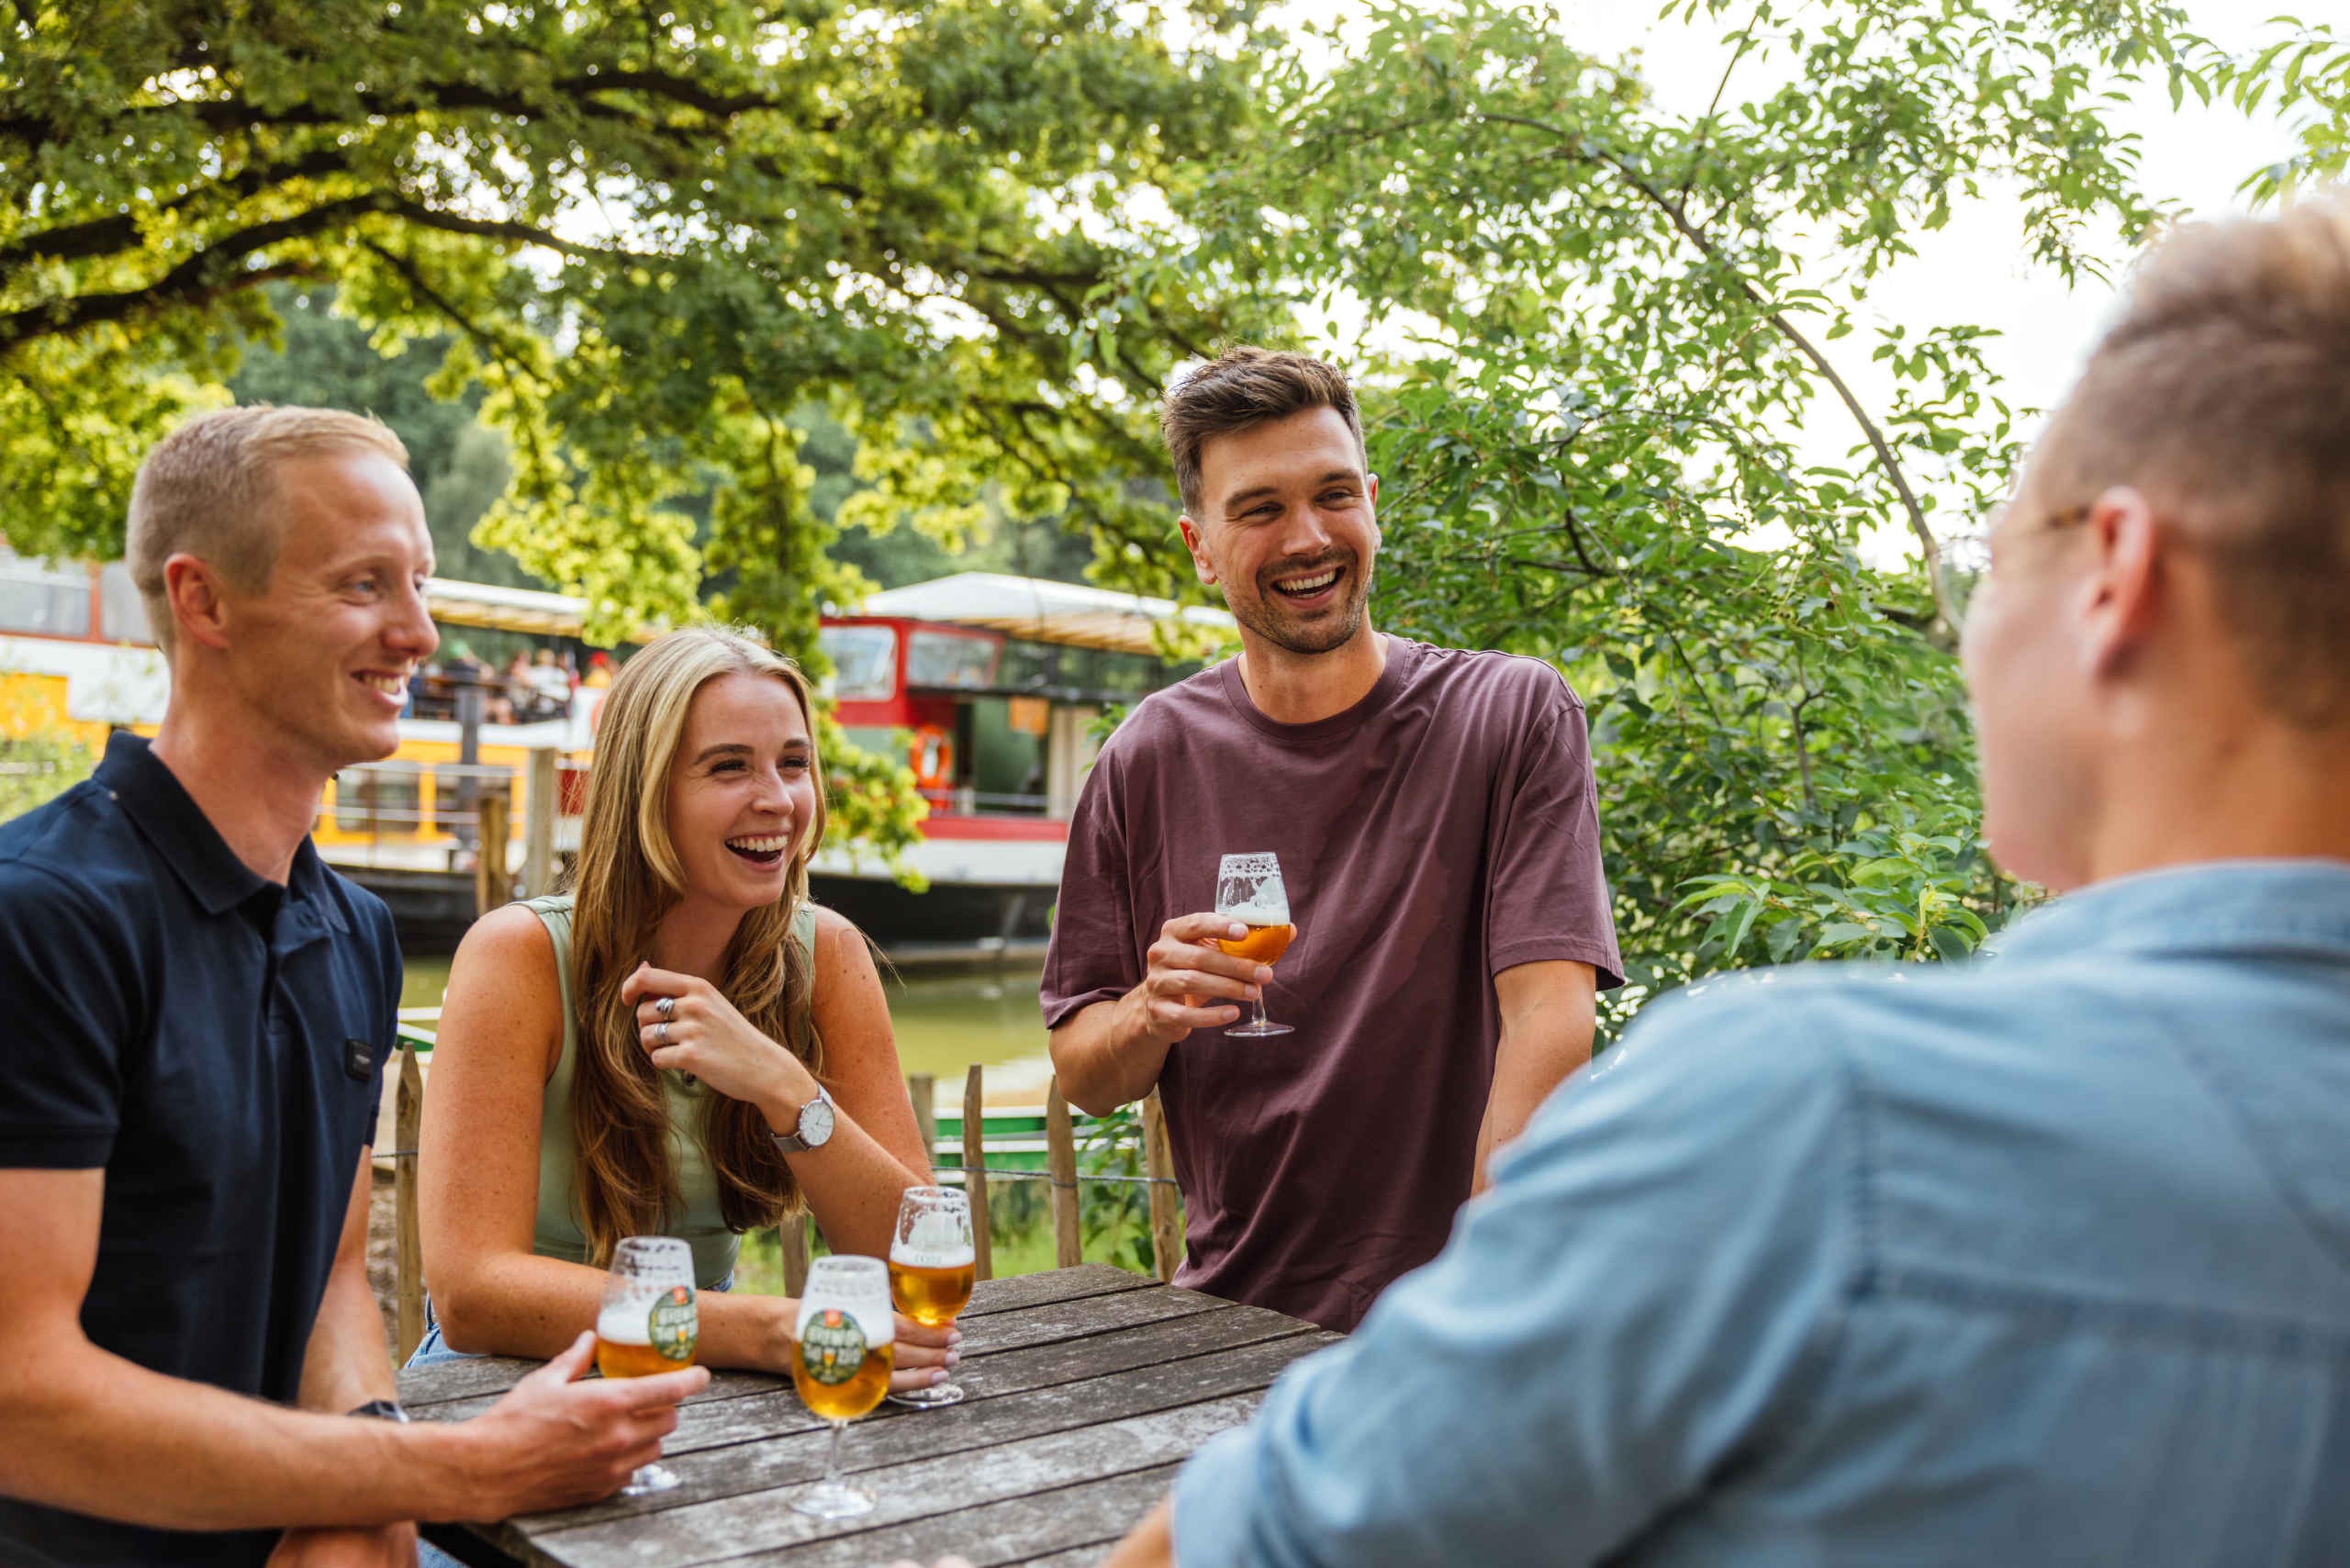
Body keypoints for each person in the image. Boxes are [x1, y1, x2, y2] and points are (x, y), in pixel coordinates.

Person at [1100, 201, 2350, 1567]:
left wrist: (1473, 1341)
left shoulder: (1815, 1117)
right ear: (1204, 541)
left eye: (1995, 561)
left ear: (2116, 580)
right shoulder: (1155, 750)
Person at [0, 406, 707, 1568]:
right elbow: (22, 1399)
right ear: (204, 602)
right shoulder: (44, 919)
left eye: (421, 582)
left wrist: (364, 1498)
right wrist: (451, 1470)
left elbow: (333, 1278)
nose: (420, 632)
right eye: (364, 584)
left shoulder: (354, 931)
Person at [1042, 348, 1624, 1333]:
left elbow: (1551, 1022)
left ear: (1374, 504)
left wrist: (1470, 1298)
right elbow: (1087, 1075)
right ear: (1200, 544)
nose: (1308, 537)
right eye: (1260, 509)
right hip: (1228, 1318)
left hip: (1468, 1315)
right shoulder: (1145, 757)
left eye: (1334, 494)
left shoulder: (1511, 713)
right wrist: (1152, 1008)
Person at [415, 628, 953, 1390]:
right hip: (506, 1381)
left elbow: (917, 1263)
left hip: (711, 1380)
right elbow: (472, 1295)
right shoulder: (519, 956)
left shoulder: (825, 953)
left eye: (793, 764)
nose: (777, 799)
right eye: (729, 766)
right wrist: (772, 1329)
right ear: (646, 788)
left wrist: (785, 1088)